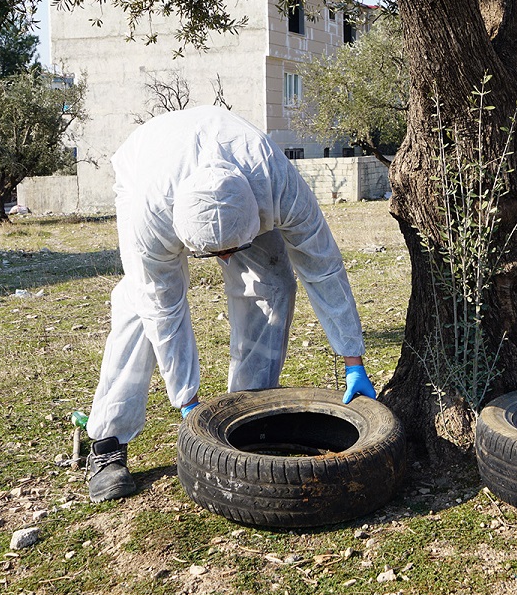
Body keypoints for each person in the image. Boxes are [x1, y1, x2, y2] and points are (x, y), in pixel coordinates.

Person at [85, 106, 376, 502]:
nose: (226, 260)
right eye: (213, 254)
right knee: (141, 305)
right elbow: (163, 307)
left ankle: (246, 418)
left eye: (233, 249)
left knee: (273, 282)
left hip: (243, 177)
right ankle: (108, 442)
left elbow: (322, 267)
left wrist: (352, 359)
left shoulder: (279, 186)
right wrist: (187, 400)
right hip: (148, 167)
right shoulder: (151, 213)